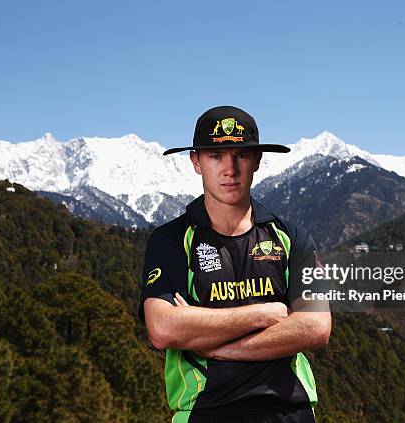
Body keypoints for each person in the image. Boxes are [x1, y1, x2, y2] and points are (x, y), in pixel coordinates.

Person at [139, 105, 331, 423]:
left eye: (240, 155)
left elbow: (316, 327)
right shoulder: (171, 240)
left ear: (256, 161)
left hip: (290, 411)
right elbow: (163, 329)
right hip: (206, 411)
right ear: (196, 162)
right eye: (216, 156)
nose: (230, 169)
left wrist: (219, 346)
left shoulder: (291, 237)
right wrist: (265, 313)